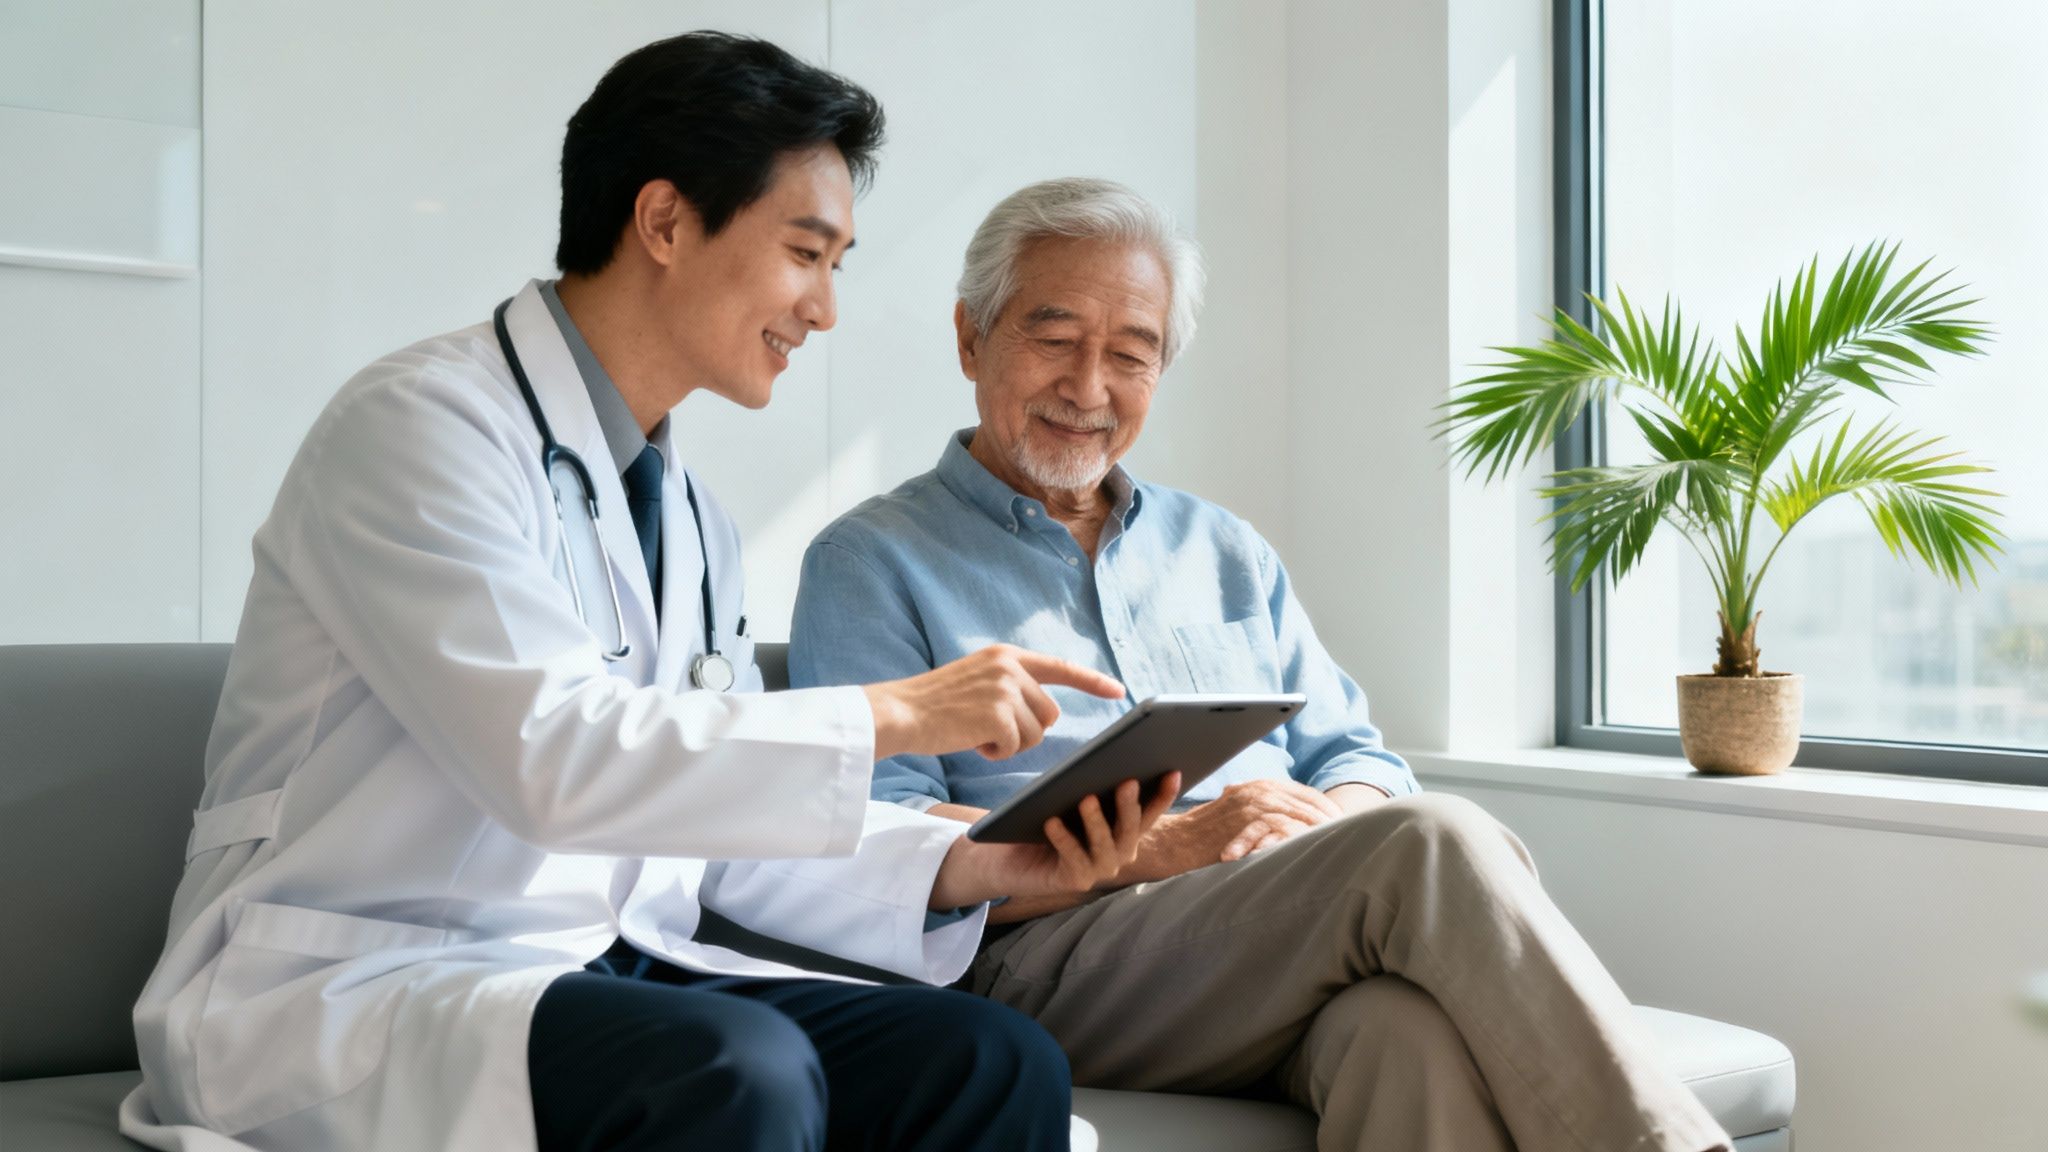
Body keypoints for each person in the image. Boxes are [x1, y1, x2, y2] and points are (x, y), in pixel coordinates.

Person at [121, 39, 1175, 1152]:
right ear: (665, 222)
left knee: (990, 1059)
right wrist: (894, 713)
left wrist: (975, 863)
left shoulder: (690, 520)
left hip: (598, 971)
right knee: (732, 1075)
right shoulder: (418, 431)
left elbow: (715, 832)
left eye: (838, 265)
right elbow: (552, 757)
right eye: (805, 253)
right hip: (362, 975)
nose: (823, 310)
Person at [789, 177, 1735, 1152]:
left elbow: (1358, 758)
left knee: (1397, 1036)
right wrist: (1164, 848)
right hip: (1046, 952)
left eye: (1130, 354)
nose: (1088, 386)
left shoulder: (1222, 548)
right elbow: (873, 838)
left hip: (1275, 928)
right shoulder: (869, 561)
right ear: (969, 339)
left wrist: (1313, 835)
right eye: (1055, 337)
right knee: (1426, 840)